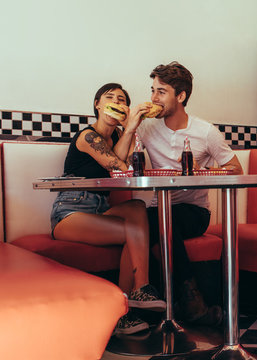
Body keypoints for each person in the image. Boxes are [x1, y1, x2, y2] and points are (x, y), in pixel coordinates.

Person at [50, 83, 165, 335]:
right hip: (70, 212)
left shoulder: (114, 138)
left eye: (122, 99)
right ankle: (127, 305)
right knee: (132, 231)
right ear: (98, 105)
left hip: (99, 209)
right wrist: (131, 127)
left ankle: (136, 293)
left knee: (137, 208)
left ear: (125, 109)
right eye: (109, 97)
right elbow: (119, 168)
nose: (116, 101)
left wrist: (130, 130)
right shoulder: (88, 136)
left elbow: (123, 164)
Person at [136, 61, 243, 325]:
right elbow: (125, 160)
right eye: (152, 91)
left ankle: (189, 301)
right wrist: (130, 125)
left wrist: (202, 171)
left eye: (161, 92)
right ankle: (175, 305)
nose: (153, 98)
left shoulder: (206, 132)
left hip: (194, 212)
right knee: (144, 220)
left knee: (162, 222)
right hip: (158, 208)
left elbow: (236, 169)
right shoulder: (147, 128)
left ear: (180, 96)